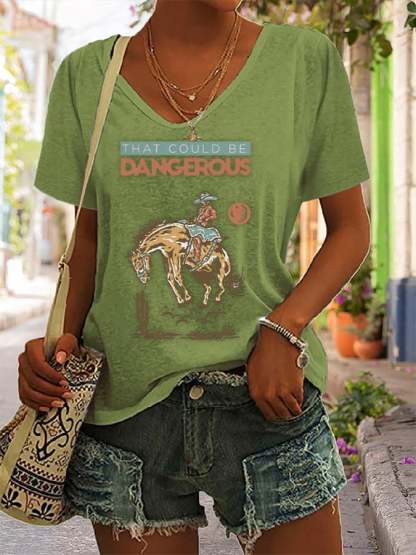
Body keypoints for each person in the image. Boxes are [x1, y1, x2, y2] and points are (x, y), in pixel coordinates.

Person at [18, 0, 371, 553]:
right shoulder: (88, 76)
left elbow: (350, 228)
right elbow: (89, 239)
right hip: (128, 412)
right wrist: (55, 347)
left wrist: (286, 327)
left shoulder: (303, 62)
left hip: (266, 397)